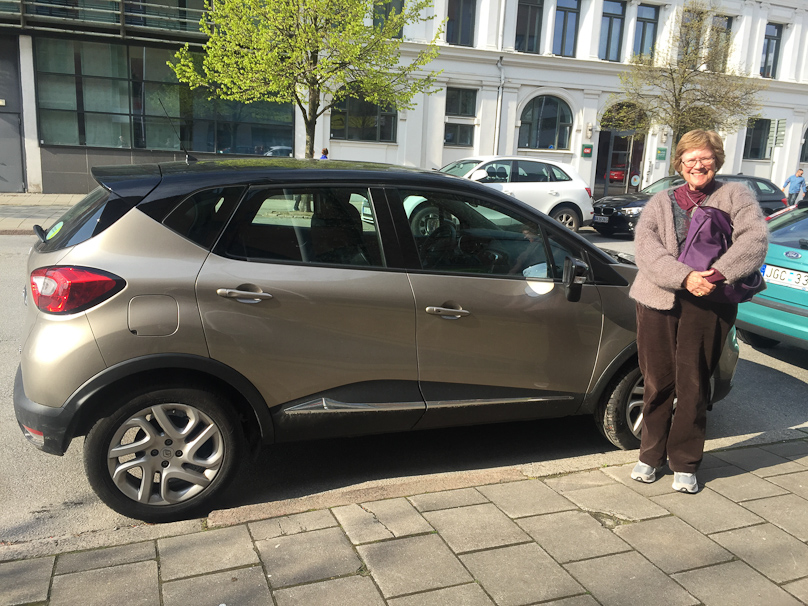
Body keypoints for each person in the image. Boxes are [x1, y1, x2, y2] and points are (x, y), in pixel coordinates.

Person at [629, 130, 768, 494]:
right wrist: (685, 277)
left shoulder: (736, 195)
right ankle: (649, 456)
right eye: (690, 158)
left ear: (716, 160)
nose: (698, 165)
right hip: (658, 299)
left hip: (710, 302)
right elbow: (646, 248)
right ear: (680, 163)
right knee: (657, 381)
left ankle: (685, 462)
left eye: (705, 158)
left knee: (693, 384)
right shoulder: (661, 201)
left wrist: (717, 275)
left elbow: (754, 239)